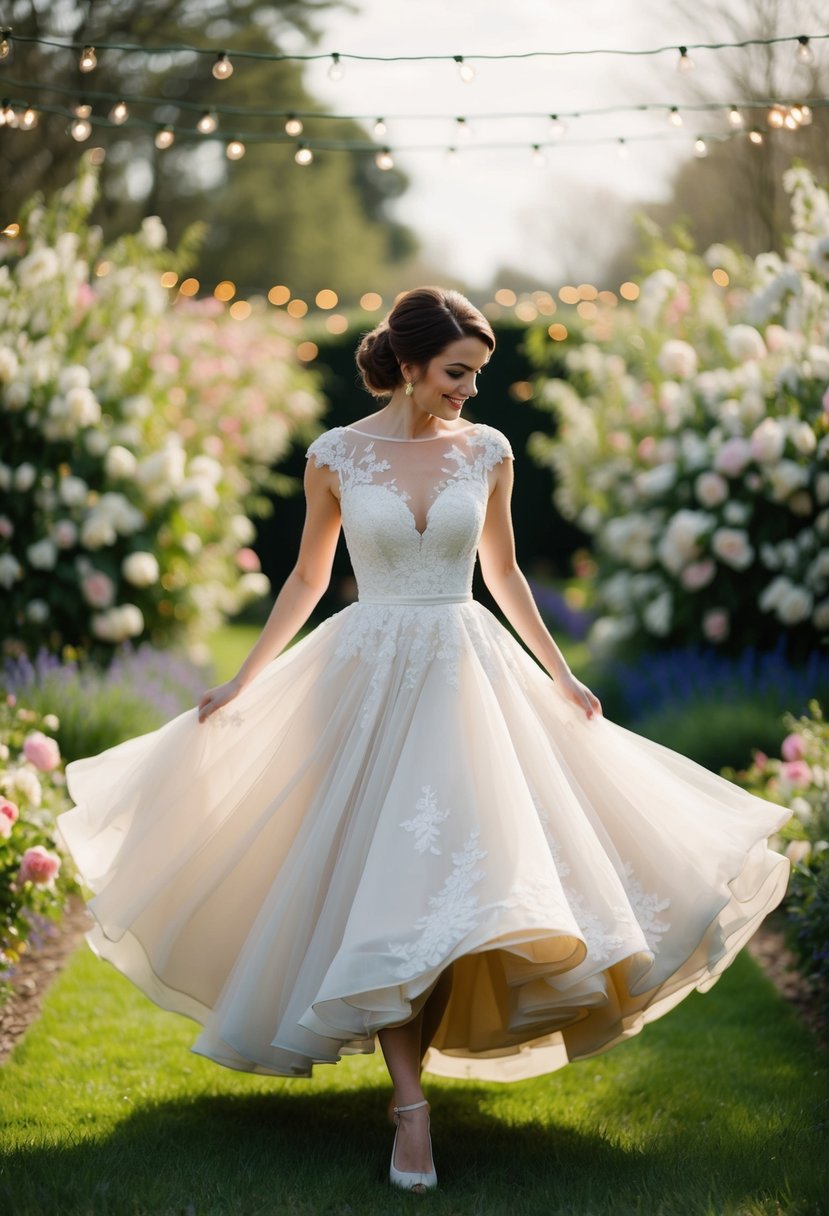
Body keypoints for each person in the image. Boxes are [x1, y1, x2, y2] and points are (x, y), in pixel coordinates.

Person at [57, 286, 790, 1196]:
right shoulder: (334, 456)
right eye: (456, 373)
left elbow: (504, 570)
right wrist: (243, 679)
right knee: (379, 886)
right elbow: (308, 576)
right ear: (407, 366)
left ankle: (415, 1069)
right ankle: (411, 1106)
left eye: (476, 375)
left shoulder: (487, 451)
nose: (469, 392)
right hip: (360, 681)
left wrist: (560, 675)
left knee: (458, 886)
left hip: (464, 674)